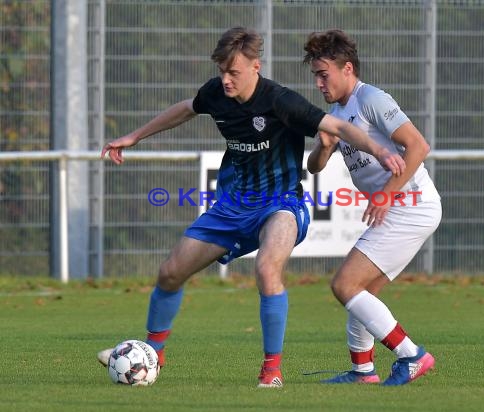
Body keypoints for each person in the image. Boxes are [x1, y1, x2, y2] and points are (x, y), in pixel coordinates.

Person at [97, 26, 406, 388]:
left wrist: (381, 150)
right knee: (170, 271)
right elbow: (184, 109)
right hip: (231, 206)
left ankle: (271, 371)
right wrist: (133, 137)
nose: (226, 80)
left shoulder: (280, 101)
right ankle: (152, 354)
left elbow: (337, 125)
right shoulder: (216, 94)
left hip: (281, 204)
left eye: (234, 73)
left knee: (266, 268)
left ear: (255, 67)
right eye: (222, 72)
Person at [303, 29, 442, 386]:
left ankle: (411, 354)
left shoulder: (372, 100)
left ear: (347, 68)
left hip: (410, 205)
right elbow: (314, 167)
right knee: (361, 291)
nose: (319, 83)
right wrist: (324, 146)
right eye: (316, 76)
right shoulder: (336, 112)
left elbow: (418, 146)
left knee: (345, 284)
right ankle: (364, 372)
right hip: (401, 207)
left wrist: (386, 195)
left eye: (324, 74)